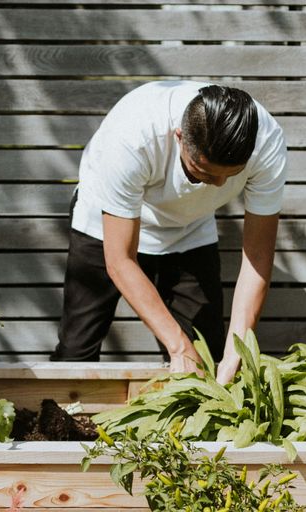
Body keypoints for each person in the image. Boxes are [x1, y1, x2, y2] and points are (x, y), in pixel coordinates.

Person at [50, 81, 287, 384]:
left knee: (206, 355)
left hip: (189, 228)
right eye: (203, 172)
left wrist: (235, 354)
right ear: (179, 137)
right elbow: (120, 260)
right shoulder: (132, 137)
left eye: (231, 176)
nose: (217, 185)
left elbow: (257, 258)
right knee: (76, 351)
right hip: (104, 224)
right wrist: (177, 346)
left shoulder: (267, 143)